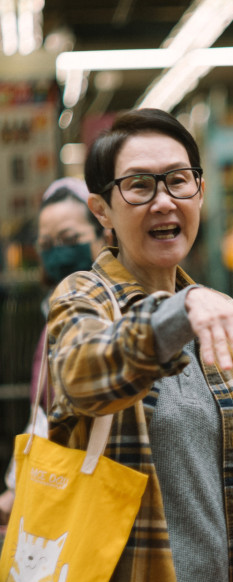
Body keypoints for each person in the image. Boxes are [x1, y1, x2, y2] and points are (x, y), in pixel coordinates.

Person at [46, 108, 233, 582]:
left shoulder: (223, 315)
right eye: (140, 186)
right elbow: (82, 375)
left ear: (199, 193)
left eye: (179, 181)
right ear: (102, 211)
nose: (164, 201)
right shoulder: (86, 298)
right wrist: (179, 310)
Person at [0, 177, 111, 526]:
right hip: (63, 491)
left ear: (103, 235)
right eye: (47, 243)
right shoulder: (51, 313)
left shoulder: (114, 311)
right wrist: (17, 486)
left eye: (69, 239)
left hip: (100, 491)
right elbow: (44, 414)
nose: (57, 251)